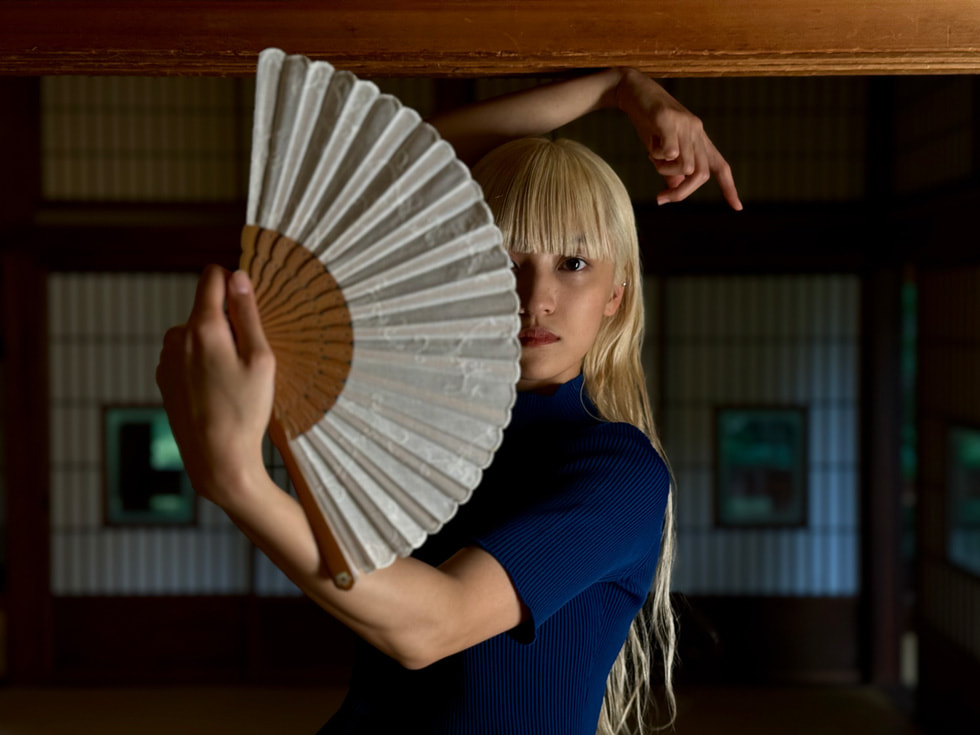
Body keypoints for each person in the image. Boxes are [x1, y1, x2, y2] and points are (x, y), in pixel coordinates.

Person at [156, 68, 740, 735]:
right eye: (501, 254)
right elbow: (404, 161)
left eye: (572, 263)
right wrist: (615, 88)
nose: (534, 295)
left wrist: (239, 482)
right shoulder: (423, 426)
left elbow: (432, 625)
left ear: (617, 293)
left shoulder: (617, 468)